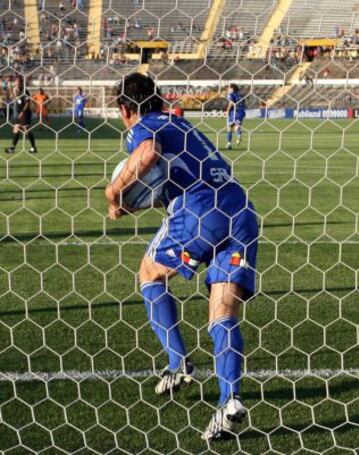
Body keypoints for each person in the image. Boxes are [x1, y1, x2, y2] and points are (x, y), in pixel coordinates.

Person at [105, 73, 258, 441]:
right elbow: (167, 182)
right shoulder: (179, 122)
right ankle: (229, 402)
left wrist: (114, 194)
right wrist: (134, 202)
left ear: (126, 108)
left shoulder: (144, 126)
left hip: (202, 212)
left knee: (149, 274)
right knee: (222, 311)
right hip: (241, 211)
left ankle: (178, 363)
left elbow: (148, 153)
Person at [5, 76, 38, 154]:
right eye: (16, 82)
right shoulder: (15, 90)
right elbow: (12, 98)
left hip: (25, 113)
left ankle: (33, 147)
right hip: (18, 113)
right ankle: (12, 148)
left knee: (26, 131)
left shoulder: (25, 91)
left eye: (19, 83)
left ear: (22, 83)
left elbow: (27, 103)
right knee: (16, 129)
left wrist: (23, 112)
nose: (17, 84)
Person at [226, 83, 246, 150]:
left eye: (229, 88)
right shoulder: (241, 95)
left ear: (232, 88)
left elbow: (231, 103)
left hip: (235, 111)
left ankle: (229, 144)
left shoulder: (230, 94)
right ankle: (239, 136)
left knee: (230, 127)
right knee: (237, 127)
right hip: (242, 112)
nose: (227, 89)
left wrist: (227, 111)